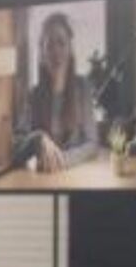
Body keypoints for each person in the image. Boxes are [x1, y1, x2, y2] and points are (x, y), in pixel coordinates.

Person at [15, 12, 99, 172]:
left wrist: (61, 160)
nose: (56, 51)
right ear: (42, 53)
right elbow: (17, 144)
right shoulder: (34, 94)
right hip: (42, 179)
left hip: (75, 176)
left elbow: (92, 143)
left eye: (61, 43)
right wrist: (37, 138)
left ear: (70, 48)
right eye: (49, 45)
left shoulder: (83, 87)